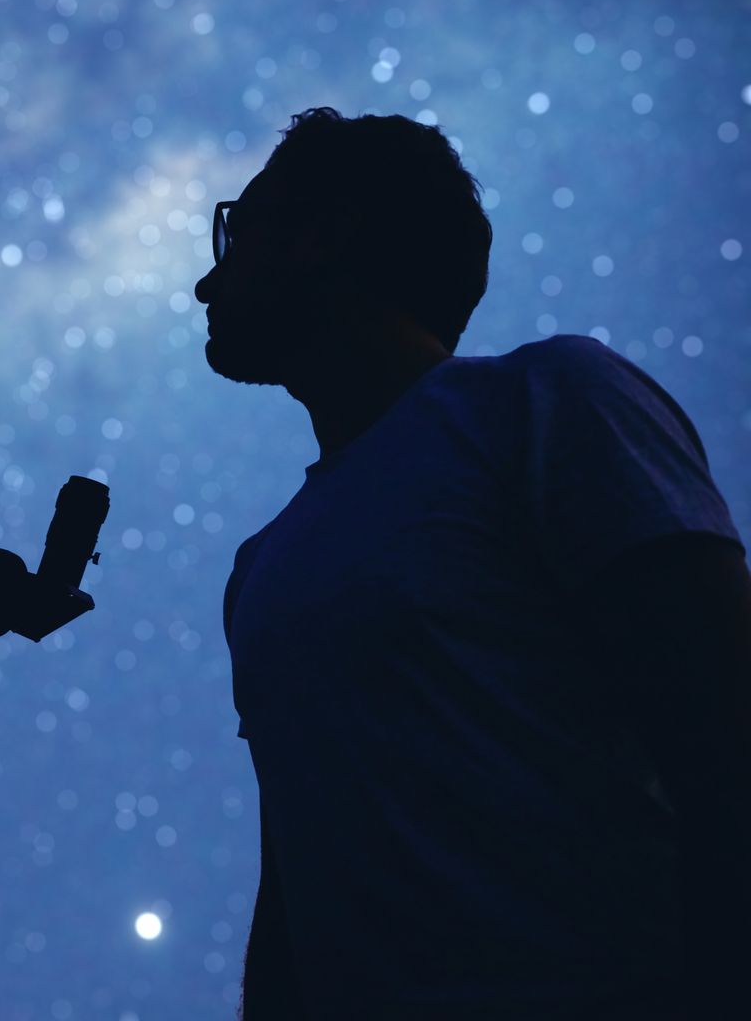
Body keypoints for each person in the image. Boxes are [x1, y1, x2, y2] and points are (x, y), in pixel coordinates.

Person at [195, 107, 750, 1020]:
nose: (206, 282)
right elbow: (294, 875)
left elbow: (724, 731)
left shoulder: (551, 401)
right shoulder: (260, 568)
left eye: (237, 230)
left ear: (326, 235)